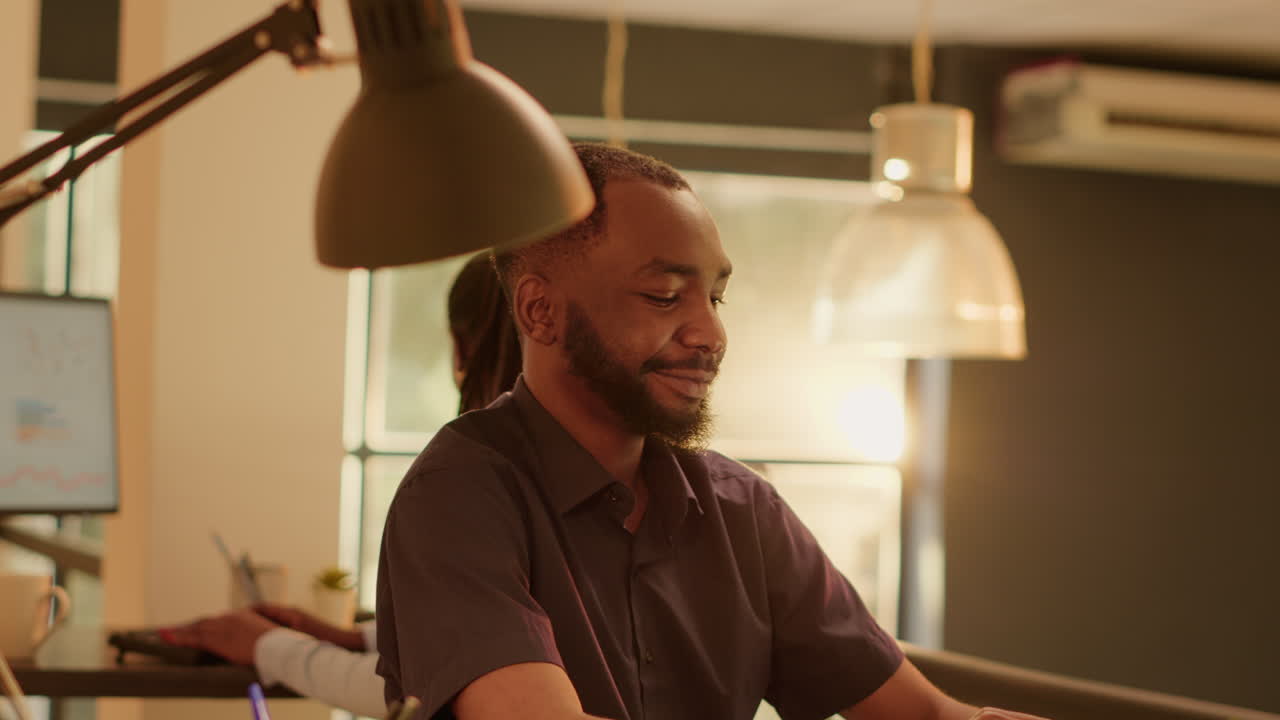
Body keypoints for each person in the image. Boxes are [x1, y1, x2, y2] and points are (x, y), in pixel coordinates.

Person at [376, 142, 1049, 720]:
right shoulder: (457, 494)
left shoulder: (742, 510)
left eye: (715, 297)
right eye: (665, 296)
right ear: (541, 311)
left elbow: (925, 714)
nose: (711, 333)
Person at [160, 252, 520, 718]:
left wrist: (269, 647)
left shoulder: (469, 481)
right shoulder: (534, 472)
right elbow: (486, 632)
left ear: (460, 349)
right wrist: (355, 638)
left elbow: (422, 687)